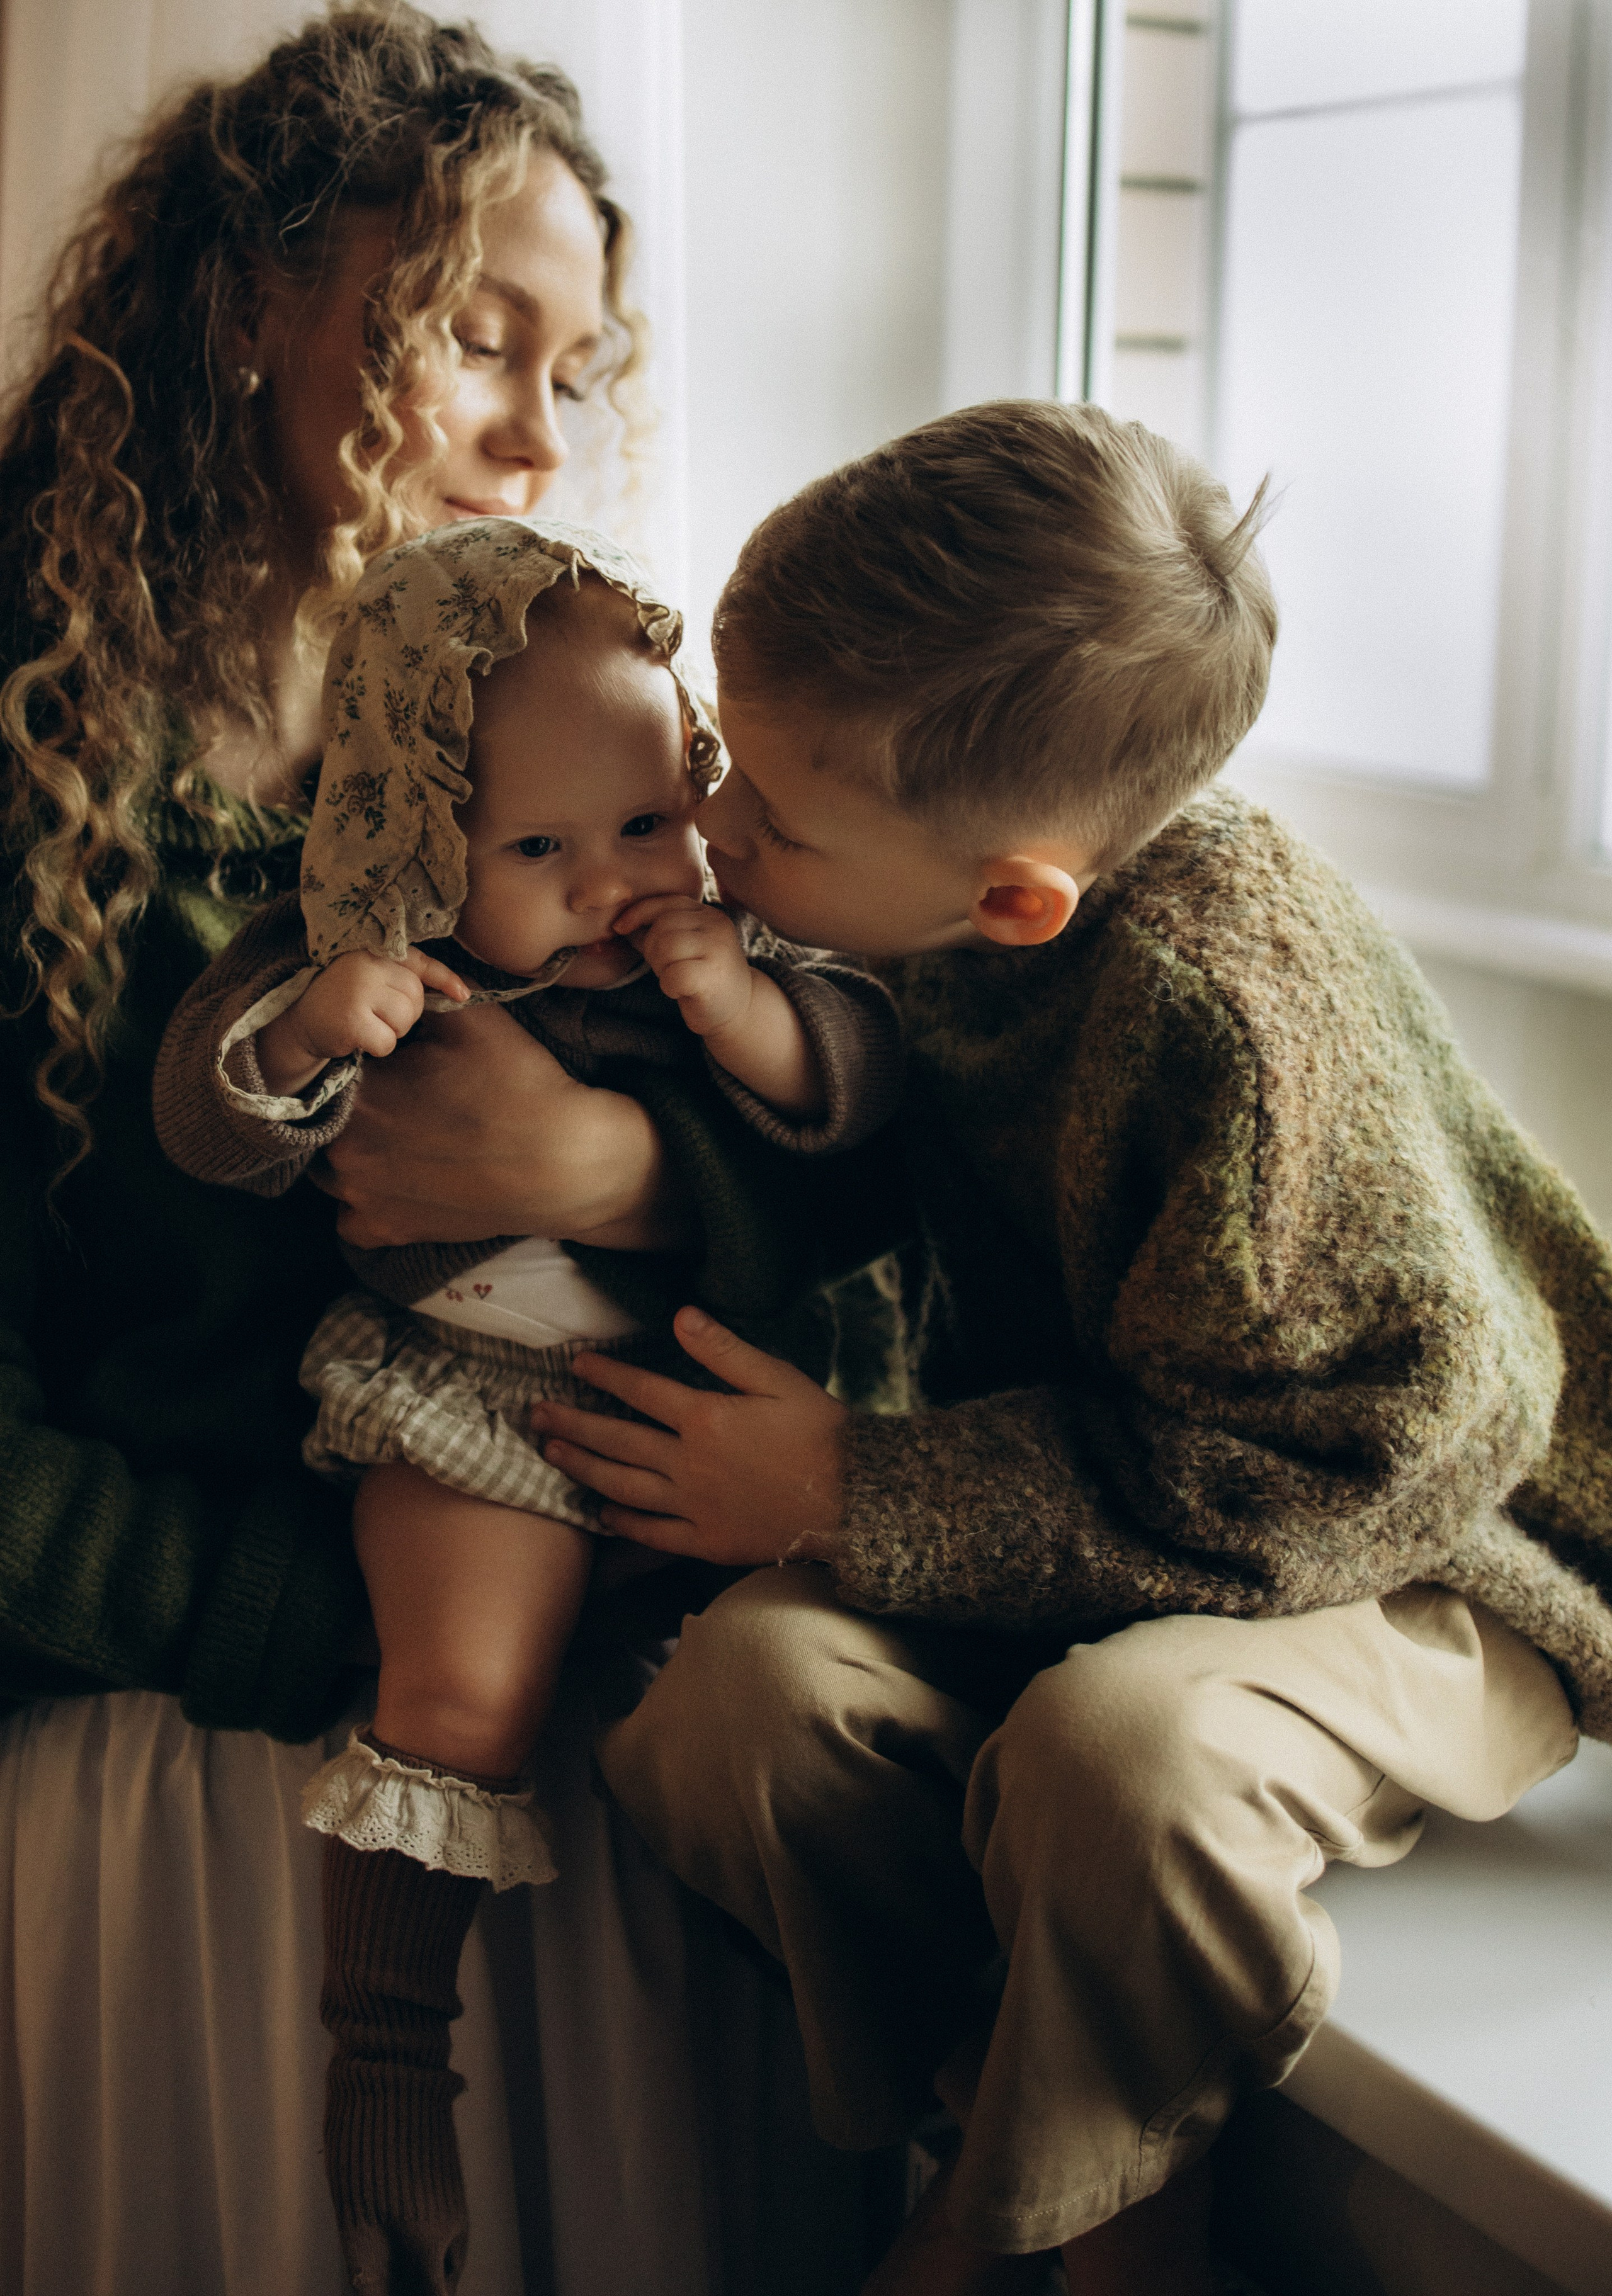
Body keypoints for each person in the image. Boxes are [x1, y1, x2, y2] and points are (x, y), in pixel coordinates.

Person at [531, 400, 1612, 2295]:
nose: (710, 829)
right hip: (1121, 1512)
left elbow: (1357, 1467)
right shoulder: (917, 905)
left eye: (766, 815)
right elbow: (867, 1158)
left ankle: (1061, 2238)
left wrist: (851, 1485)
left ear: (1017, 893)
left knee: (1117, 1758)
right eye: (720, 758)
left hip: (1440, 1550)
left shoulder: (1223, 1021)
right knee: (731, 1707)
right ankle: (1043, 2130)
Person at [0, 11, 888, 2289]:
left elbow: (839, 1139)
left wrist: (616, 1180)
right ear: (243, 309)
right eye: (474, 340)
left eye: (576, 365)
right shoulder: (40, 753)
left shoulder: (549, 715)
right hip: (189, 1735)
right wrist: (344, 1633)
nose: (536, 434)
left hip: (542, 1691)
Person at [154, 512, 899, 2291]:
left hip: (697, 1426)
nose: (608, 886)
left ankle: (866, 2074)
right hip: (470, 1407)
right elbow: (206, 1110)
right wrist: (318, 1030)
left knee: (784, 1711)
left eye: (648, 824)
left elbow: (863, 1107)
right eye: (540, 846)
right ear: (412, 827)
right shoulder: (349, 948)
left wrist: (759, 1028)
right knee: (466, 1688)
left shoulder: (708, 957)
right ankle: (391, 2051)